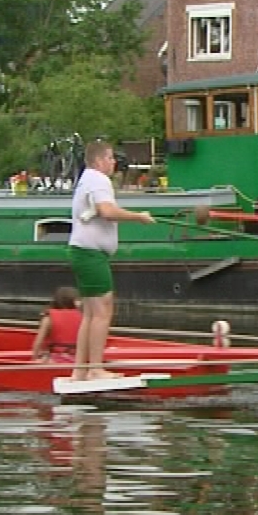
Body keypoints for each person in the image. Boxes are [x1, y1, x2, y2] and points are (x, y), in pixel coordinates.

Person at [67, 140, 155, 381]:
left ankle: (80, 371)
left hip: (84, 252)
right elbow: (106, 211)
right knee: (103, 309)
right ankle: (95, 369)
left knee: (90, 313)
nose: (113, 162)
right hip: (90, 254)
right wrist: (139, 217)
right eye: (109, 158)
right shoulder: (98, 179)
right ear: (98, 161)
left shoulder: (87, 179)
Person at [31, 286, 82, 362]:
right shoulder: (83, 317)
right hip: (77, 359)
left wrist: (33, 359)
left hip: (54, 359)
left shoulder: (48, 318)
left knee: (41, 359)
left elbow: (38, 343)